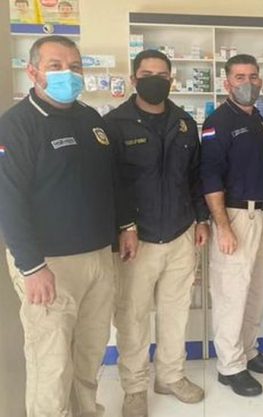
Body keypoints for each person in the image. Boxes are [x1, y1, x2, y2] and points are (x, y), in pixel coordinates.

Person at [0, 35, 137, 417]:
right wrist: (32, 267)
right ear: (33, 72)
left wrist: (126, 224)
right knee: (52, 362)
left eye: (75, 67)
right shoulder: (16, 125)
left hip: (98, 257)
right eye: (56, 66)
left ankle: (86, 411)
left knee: (90, 353)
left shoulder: (90, 119)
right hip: (51, 265)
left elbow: (111, 179)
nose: (68, 74)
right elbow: (8, 201)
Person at [104, 49, 209, 417]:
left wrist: (201, 219)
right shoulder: (114, 124)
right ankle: (135, 388)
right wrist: (125, 227)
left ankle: (170, 376)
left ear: (171, 80)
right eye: (146, 74)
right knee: (132, 317)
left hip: (180, 233)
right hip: (137, 239)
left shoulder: (184, 123)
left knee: (175, 312)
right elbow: (111, 184)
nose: (155, 80)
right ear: (134, 79)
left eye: (162, 75)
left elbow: (195, 177)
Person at [200, 54, 263, 397]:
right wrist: (223, 226)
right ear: (227, 83)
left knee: (256, 289)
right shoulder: (218, 121)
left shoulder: (257, 118)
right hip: (234, 216)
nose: (248, 83)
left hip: (260, 215)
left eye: (253, 76)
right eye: (239, 77)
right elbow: (209, 176)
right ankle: (230, 366)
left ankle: (248, 350)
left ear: (260, 80)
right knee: (231, 294)